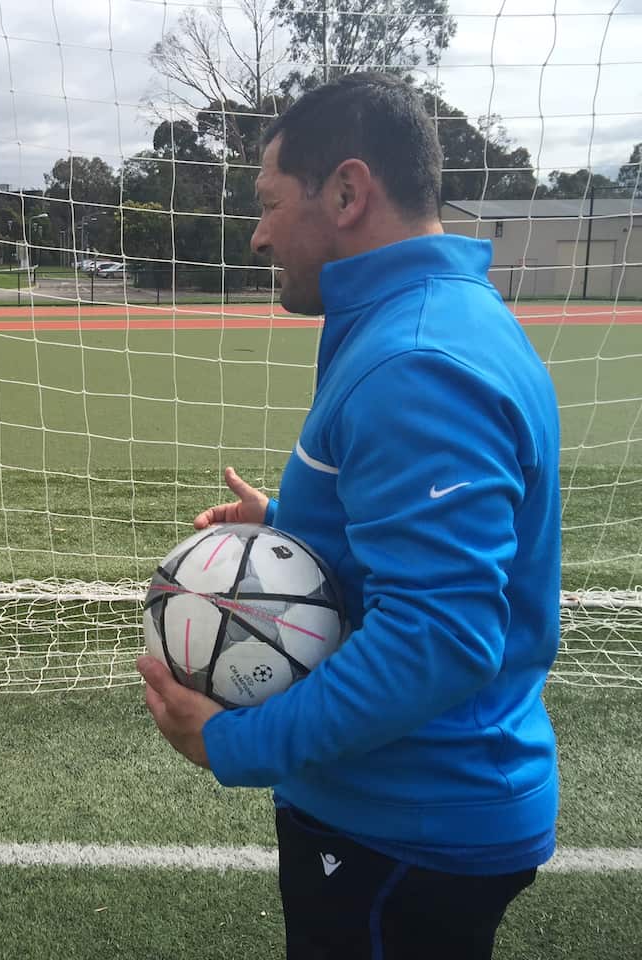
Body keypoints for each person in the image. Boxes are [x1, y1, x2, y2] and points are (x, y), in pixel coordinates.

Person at [138, 72, 561, 960]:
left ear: (347, 191)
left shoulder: (415, 361)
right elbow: (427, 543)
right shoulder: (435, 319)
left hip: (407, 824)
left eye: (267, 202)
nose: (256, 234)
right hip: (415, 809)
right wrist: (301, 522)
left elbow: (439, 639)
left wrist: (236, 744)